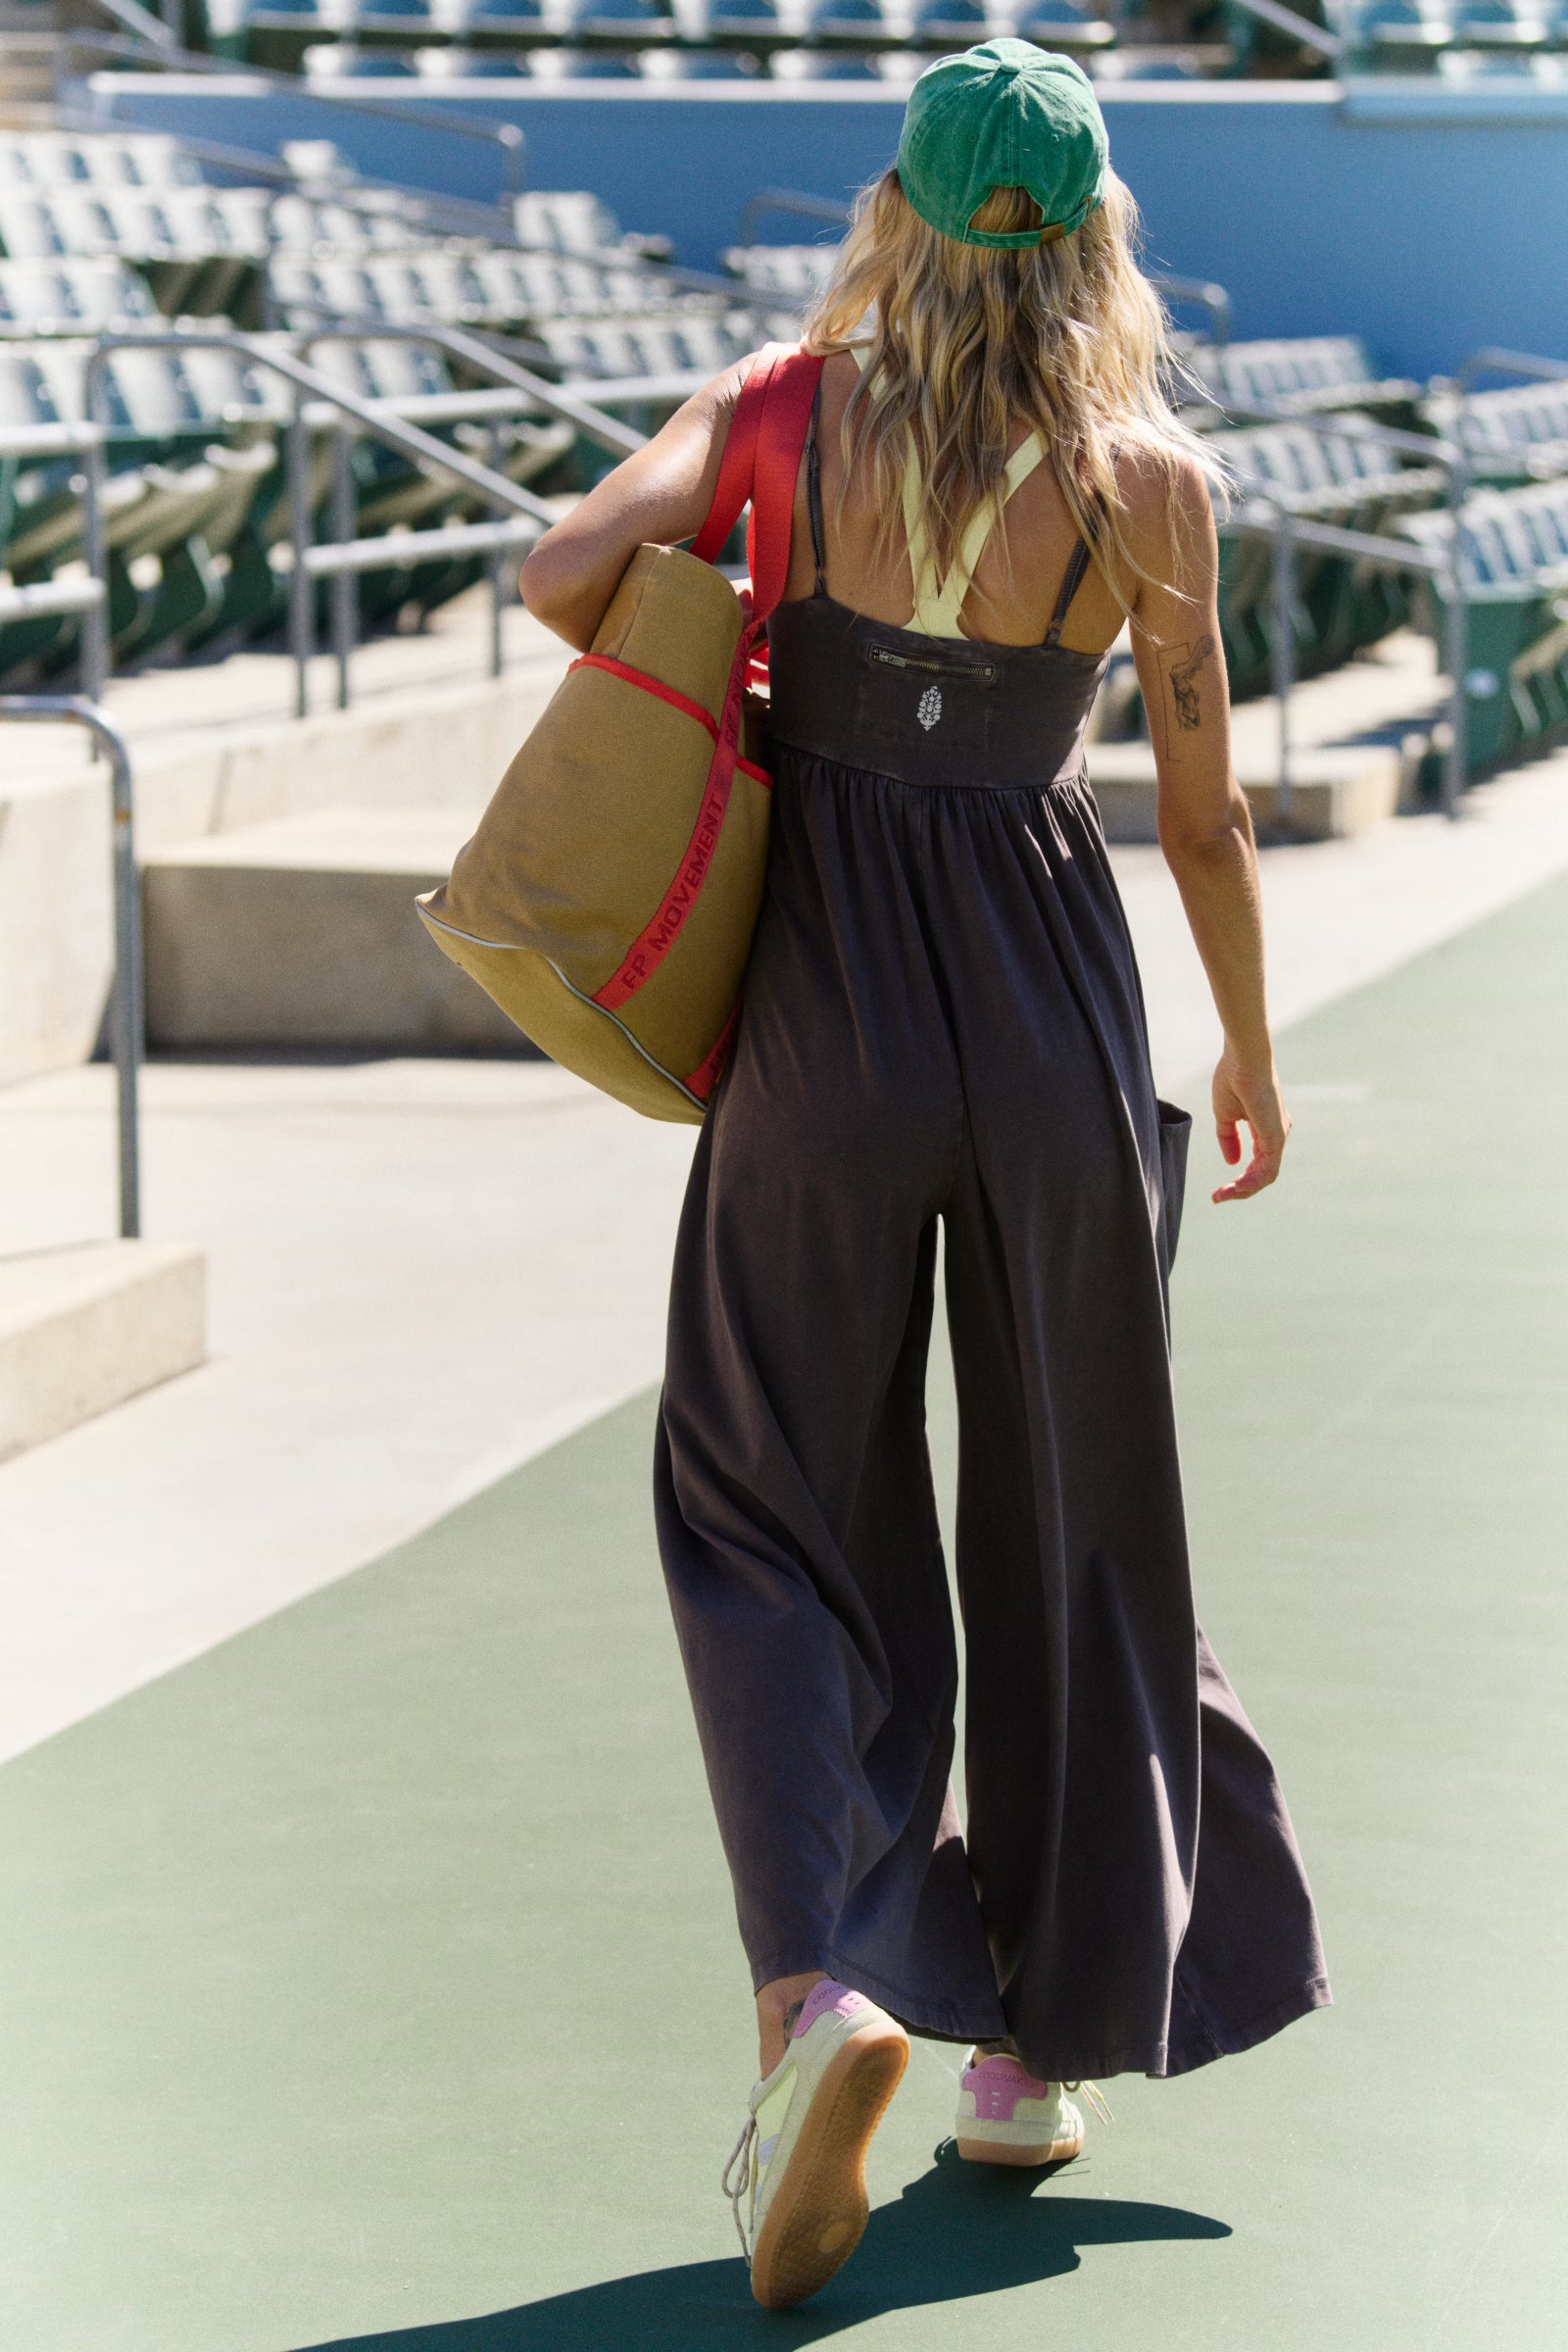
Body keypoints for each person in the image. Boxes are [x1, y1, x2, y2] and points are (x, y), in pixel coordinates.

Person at [520, 39, 1329, 2316]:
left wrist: (757, 672)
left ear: (896, 207)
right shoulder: (1152, 481)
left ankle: (825, 2005)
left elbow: (564, 568)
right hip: (1055, 1017)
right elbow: (1198, 818)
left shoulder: (785, 407)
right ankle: (1036, 2057)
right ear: (1090, 241)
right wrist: (1248, 1057)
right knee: (1080, 1505)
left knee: (768, 1500)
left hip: (825, 1018)